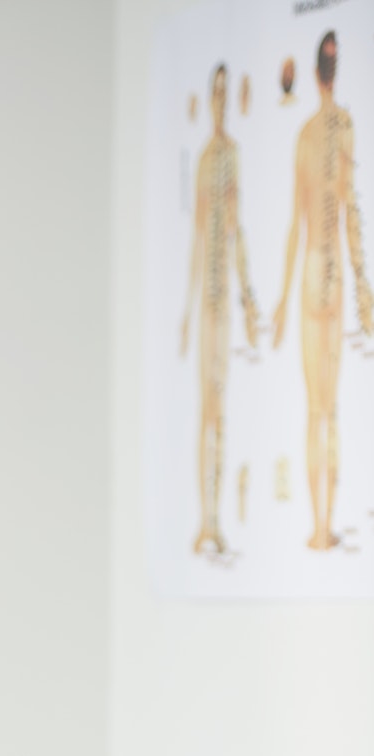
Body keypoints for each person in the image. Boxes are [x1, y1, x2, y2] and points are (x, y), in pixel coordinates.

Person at [271, 31, 374, 552]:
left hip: (315, 270)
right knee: (329, 408)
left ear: (314, 75)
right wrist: (361, 281)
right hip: (330, 271)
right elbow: (349, 214)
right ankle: (324, 523)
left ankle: (320, 526)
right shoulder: (341, 128)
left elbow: (298, 223)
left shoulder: (310, 134)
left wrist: (286, 297)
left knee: (318, 409)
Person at [180, 63, 259, 555]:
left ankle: (216, 519)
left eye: (226, 95)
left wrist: (248, 297)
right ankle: (205, 519)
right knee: (204, 411)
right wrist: (188, 311)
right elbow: (198, 236)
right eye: (216, 93)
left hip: (224, 300)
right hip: (207, 305)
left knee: (220, 412)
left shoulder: (231, 154)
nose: (220, 102)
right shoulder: (207, 158)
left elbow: (236, 228)